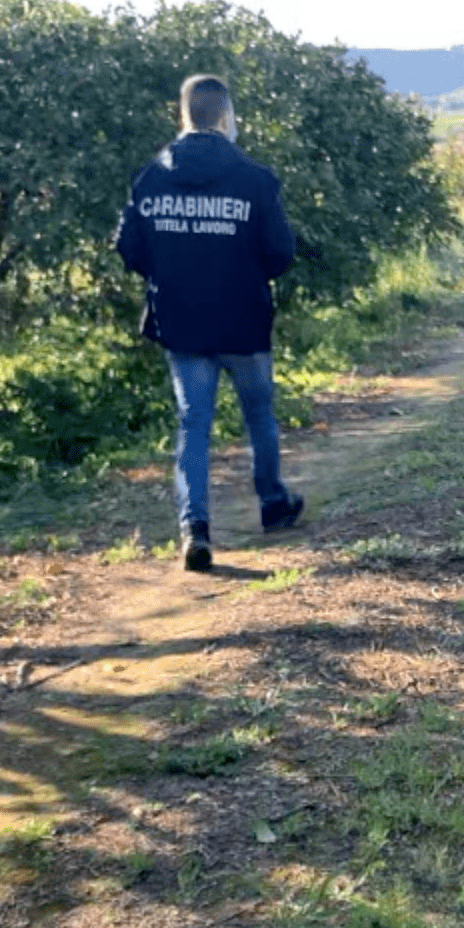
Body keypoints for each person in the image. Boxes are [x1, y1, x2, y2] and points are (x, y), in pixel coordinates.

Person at [116, 74, 303, 572]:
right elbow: (281, 252)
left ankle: (194, 528)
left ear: (184, 114)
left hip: (181, 323)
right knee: (258, 415)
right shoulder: (253, 178)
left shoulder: (151, 177)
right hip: (244, 320)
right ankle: (273, 505)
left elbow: (129, 248)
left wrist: (172, 273)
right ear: (225, 115)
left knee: (192, 425)